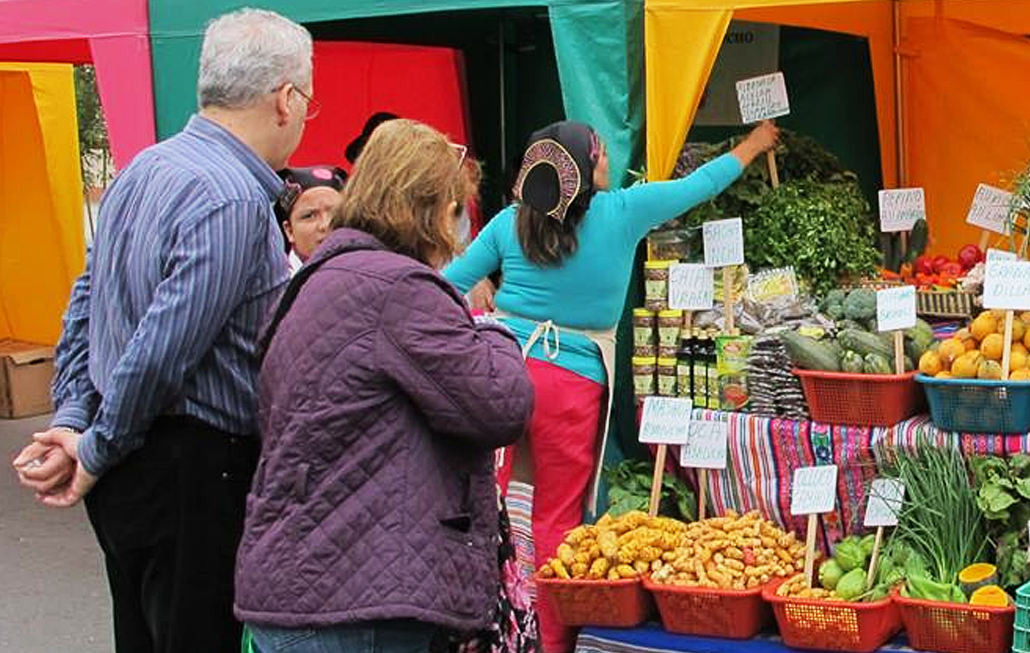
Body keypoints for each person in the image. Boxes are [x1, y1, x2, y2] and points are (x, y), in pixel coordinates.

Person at [10, 9, 313, 653]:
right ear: (285, 99)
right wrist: (93, 443)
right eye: (307, 99)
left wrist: (75, 418)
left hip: (140, 463)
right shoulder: (231, 197)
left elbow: (85, 303)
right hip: (192, 469)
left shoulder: (144, 170)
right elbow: (160, 350)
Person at [444, 119, 780, 652]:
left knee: (499, 505)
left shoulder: (511, 222)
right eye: (599, 154)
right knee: (557, 515)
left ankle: (489, 632)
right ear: (581, 170)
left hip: (502, 370)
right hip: (570, 384)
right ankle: (551, 641)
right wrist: (753, 145)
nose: (606, 161)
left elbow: (446, 286)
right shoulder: (623, 211)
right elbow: (700, 186)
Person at [237, 118, 534, 653]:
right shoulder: (398, 290)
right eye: (456, 210)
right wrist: (495, 332)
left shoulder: (322, 278)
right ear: (432, 210)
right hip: (354, 598)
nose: (459, 228)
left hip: (308, 581)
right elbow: (501, 404)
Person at [277, 165, 347, 269]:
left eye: (335, 213)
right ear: (289, 230)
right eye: (309, 216)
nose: (325, 224)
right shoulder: (274, 281)